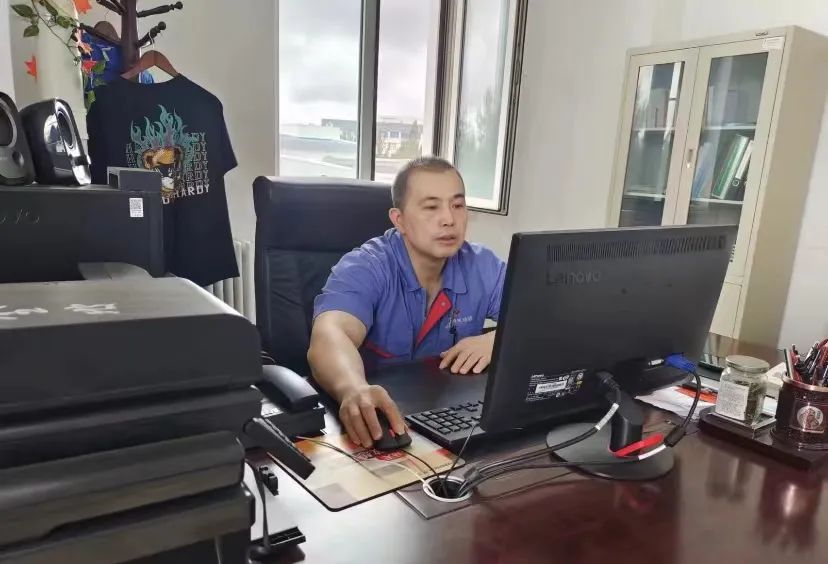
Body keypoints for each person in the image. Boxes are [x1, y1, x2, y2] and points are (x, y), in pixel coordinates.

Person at [307, 157, 505, 448]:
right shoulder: (367, 266)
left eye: (457, 205)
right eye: (431, 207)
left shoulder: (482, 265)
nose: (449, 219)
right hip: (377, 422)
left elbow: (542, 314)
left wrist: (498, 340)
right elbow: (330, 334)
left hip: (449, 420)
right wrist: (354, 388)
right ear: (399, 220)